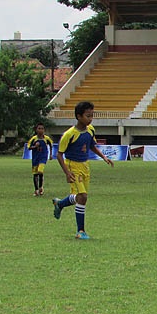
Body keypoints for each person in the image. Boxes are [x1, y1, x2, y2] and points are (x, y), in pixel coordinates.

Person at [52, 101, 114, 240]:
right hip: (73, 166)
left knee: (80, 197)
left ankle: (60, 203)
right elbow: (59, 154)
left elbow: (91, 145)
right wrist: (67, 173)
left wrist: (104, 157)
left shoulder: (90, 130)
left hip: (85, 166)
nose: (90, 119)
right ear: (79, 116)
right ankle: (80, 231)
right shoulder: (69, 134)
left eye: (92, 115)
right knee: (83, 197)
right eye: (88, 116)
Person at [27, 122, 53, 196]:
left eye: (42, 128)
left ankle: (41, 187)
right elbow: (28, 147)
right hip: (35, 158)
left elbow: (51, 145)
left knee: (40, 171)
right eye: (39, 128)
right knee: (35, 174)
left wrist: (51, 154)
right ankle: (37, 190)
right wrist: (34, 147)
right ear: (36, 130)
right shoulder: (34, 139)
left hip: (43, 157)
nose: (41, 130)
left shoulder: (46, 138)